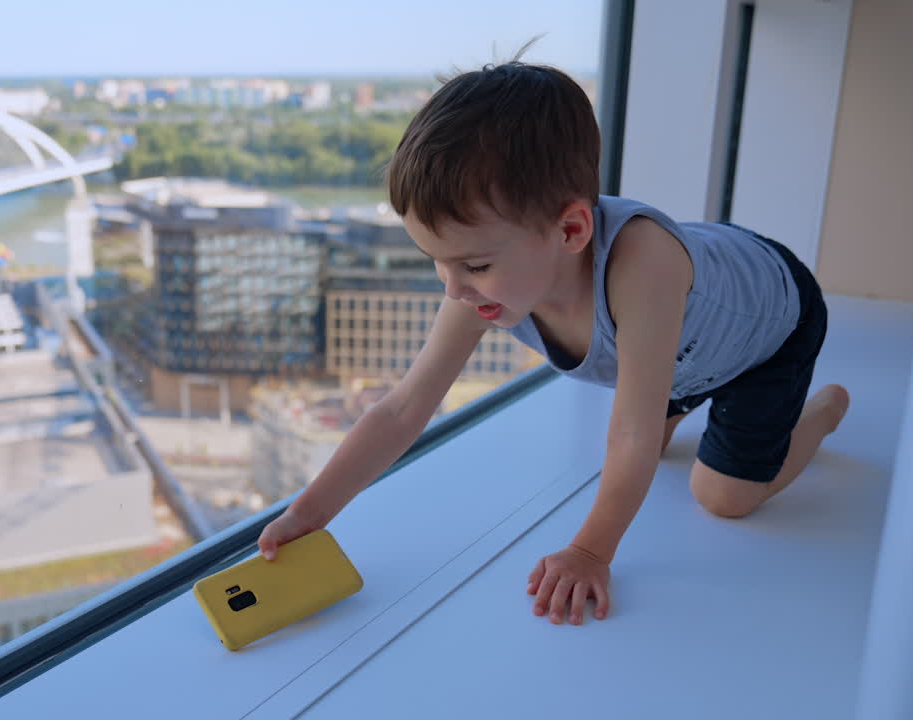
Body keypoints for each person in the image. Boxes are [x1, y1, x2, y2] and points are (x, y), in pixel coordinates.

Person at [256, 50, 850, 627]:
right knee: (647, 450)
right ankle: (697, 396)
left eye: (472, 266)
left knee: (722, 498)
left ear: (571, 229)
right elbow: (404, 407)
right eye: (437, 262)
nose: (454, 287)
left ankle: (817, 413)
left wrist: (591, 552)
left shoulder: (642, 268)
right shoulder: (487, 276)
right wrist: (310, 512)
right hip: (682, 343)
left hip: (768, 331)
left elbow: (632, 433)